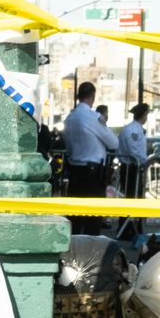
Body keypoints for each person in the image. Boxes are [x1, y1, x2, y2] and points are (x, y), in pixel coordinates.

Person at [62, 81, 118, 235]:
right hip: (92, 174)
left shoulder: (69, 118)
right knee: (93, 220)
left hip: (75, 172)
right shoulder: (93, 117)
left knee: (75, 218)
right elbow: (113, 142)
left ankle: (72, 253)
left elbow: (69, 147)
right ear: (93, 97)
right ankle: (92, 255)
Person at [117, 102, 150, 198]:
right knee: (134, 195)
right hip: (132, 168)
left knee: (130, 194)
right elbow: (134, 151)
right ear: (143, 115)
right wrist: (145, 161)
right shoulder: (134, 130)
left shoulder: (129, 128)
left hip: (129, 168)